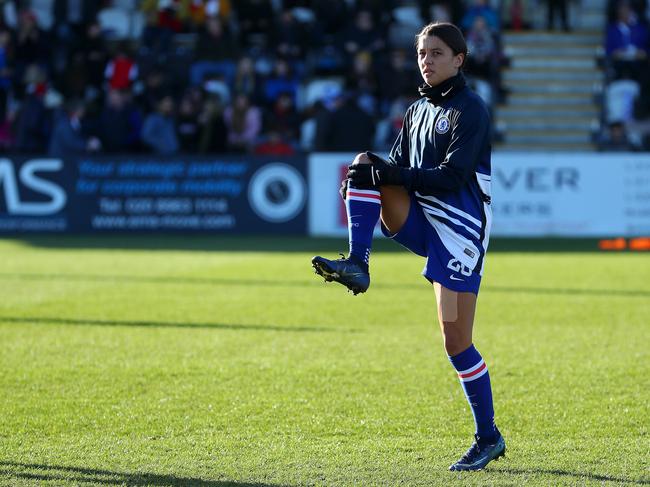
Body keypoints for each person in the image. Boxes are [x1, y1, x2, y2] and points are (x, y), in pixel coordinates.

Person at [311, 22, 506, 471]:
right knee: (364, 164)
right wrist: (370, 181)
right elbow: (395, 165)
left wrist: (388, 178)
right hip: (421, 219)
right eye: (422, 53)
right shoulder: (416, 108)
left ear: (459, 59)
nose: (427, 60)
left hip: (458, 232)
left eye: (437, 53)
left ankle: (489, 437)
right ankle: (358, 263)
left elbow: (453, 178)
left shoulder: (470, 110)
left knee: (456, 342)